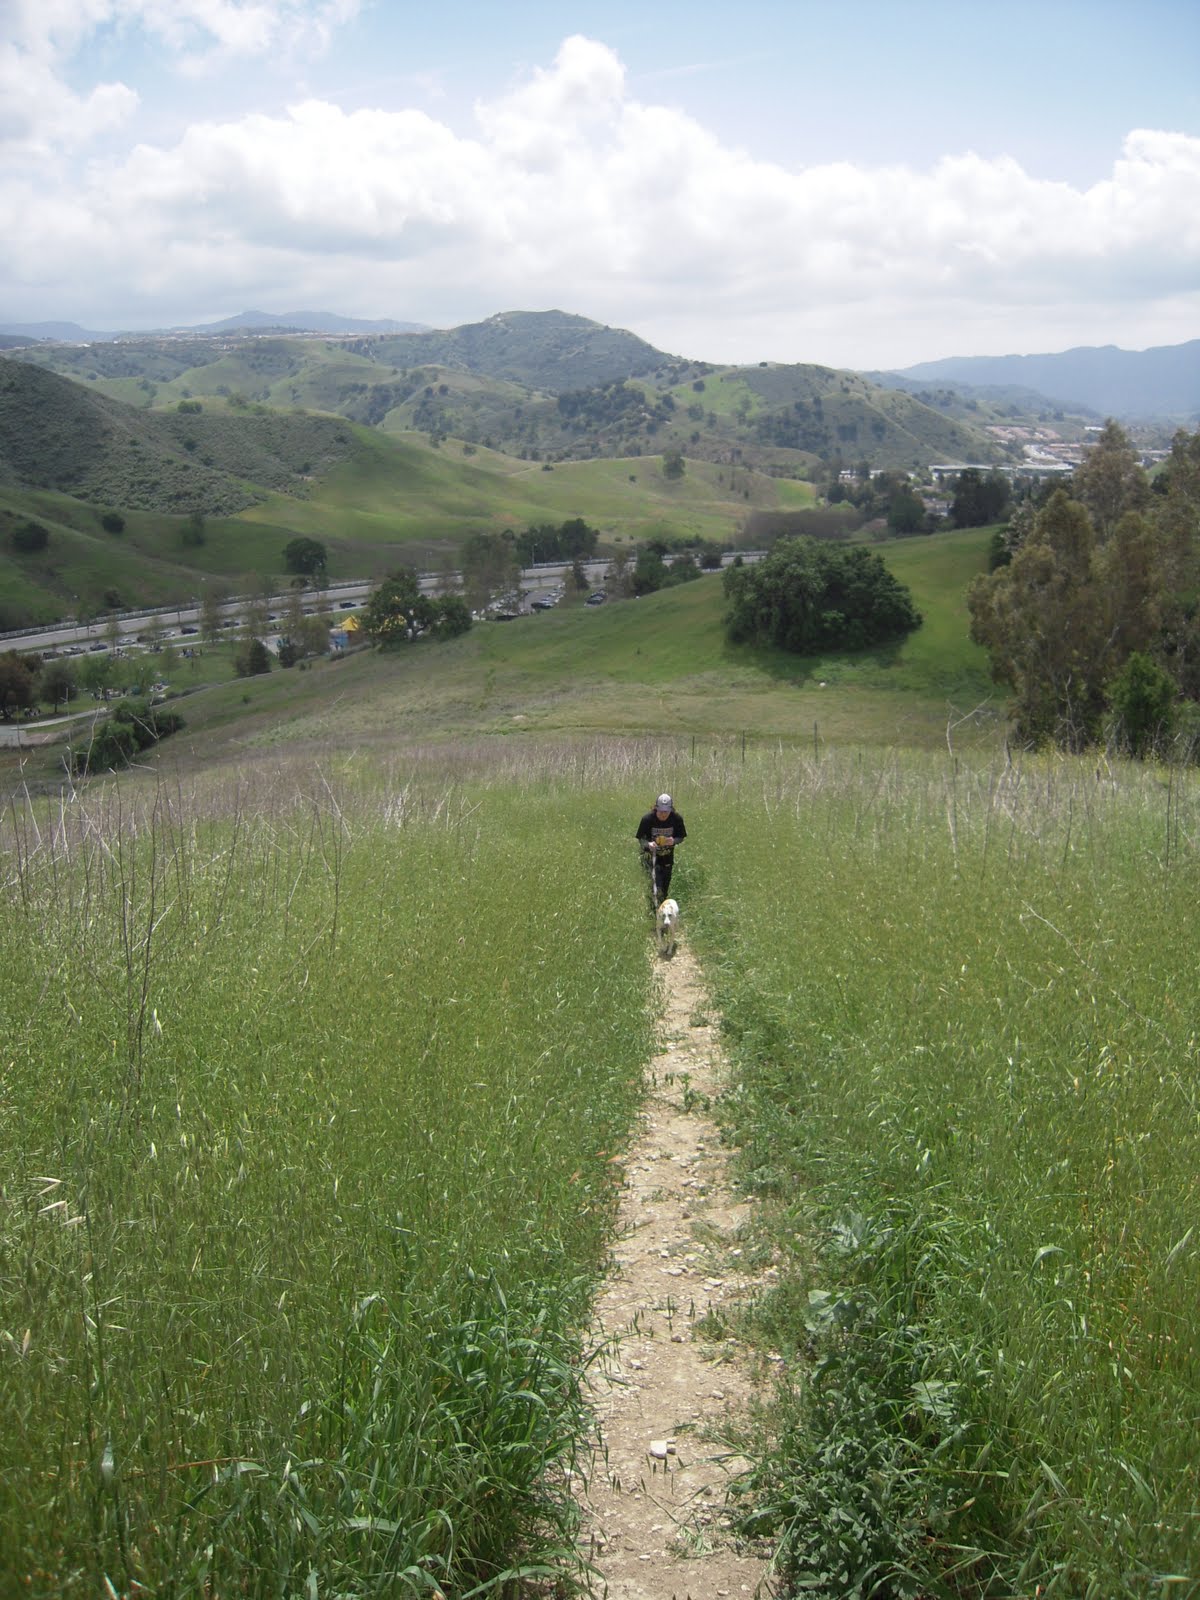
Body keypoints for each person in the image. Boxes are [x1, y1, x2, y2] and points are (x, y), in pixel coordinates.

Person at [636, 792, 686, 906]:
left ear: (671, 810)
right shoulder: (647, 819)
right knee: (656, 886)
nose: (663, 814)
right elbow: (641, 840)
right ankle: (653, 909)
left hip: (667, 858)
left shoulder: (676, 819)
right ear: (656, 808)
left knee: (664, 888)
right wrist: (648, 844)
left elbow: (681, 837)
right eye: (661, 811)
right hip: (650, 858)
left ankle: (661, 910)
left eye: (666, 812)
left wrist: (673, 841)